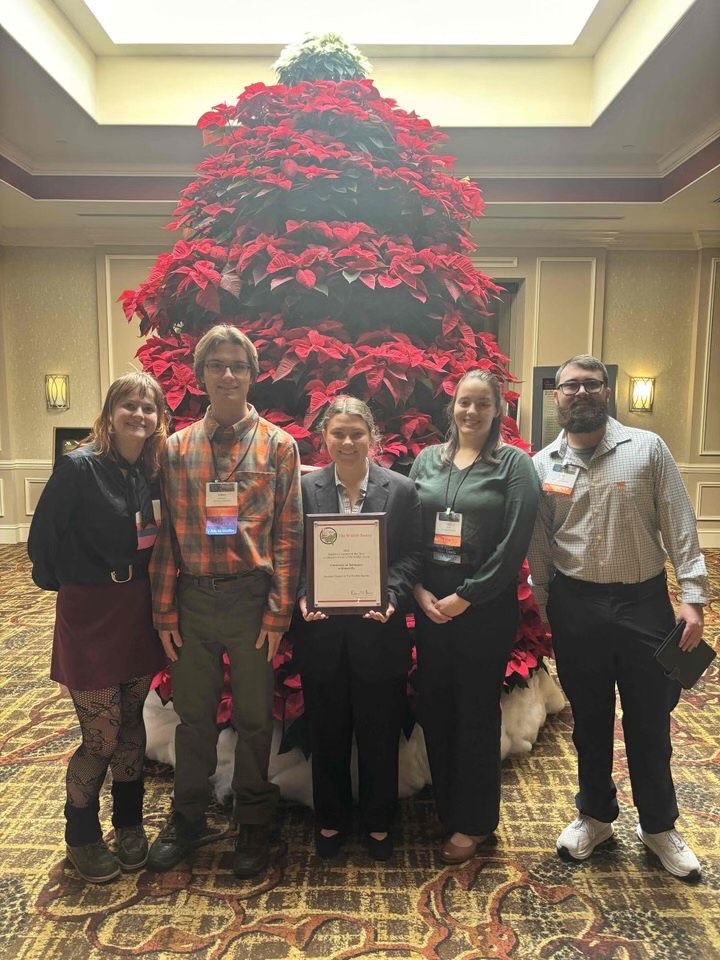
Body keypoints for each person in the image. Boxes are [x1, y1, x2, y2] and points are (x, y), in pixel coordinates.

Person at [527, 354, 708, 881]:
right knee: (590, 719)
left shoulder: (647, 449)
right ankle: (595, 816)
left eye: (591, 384)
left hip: (643, 603)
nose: (580, 393)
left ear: (607, 392)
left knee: (650, 717)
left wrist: (692, 596)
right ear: (555, 396)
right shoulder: (543, 464)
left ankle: (658, 826)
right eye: (569, 387)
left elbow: (679, 523)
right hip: (575, 605)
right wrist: (539, 610)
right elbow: (540, 546)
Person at [146, 324, 303, 879]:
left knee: (256, 718)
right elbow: (166, 538)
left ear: (252, 373)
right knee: (193, 719)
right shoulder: (175, 448)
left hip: (251, 602)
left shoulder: (280, 446)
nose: (228, 374)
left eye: (238, 365)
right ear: (202, 374)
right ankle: (188, 819)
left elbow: (288, 535)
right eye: (218, 365)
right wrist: (163, 609)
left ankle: (253, 820)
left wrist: (279, 610)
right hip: (191, 600)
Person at [28, 372, 169, 883]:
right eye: (129, 405)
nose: (139, 415)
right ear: (110, 413)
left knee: (132, 724)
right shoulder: (79, 467)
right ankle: (81, 834)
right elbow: (41, 545)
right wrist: (73, 586)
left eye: (148, 407)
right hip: (89, 610)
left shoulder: (153, 469)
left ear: (159, 419)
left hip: (137, 607)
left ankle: (129, 824)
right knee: (101, 734)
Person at [409, 370, 540, 864]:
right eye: (465, 402)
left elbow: (513, 547)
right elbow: (408, 531)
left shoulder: (513, 466)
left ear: (496, 411)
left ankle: (476, 821)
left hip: (482, 609)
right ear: (452, 407)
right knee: (437, 708)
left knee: (476, 714)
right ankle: (448, 807)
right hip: (430, 606)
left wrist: (466, 596)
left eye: (482, 404)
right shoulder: (427, 460)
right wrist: (419, 591)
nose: (471, 411)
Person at [294, 397, 423, 861]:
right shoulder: (305, 489)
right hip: (321, 632)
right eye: (338, 434)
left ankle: (378, 819)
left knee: (379, 731)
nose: (347, 442)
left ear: (373, 437)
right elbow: (292, 554)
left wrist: (390, 595)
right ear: (324, 438)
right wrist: (303, 594)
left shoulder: (402, 490)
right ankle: (330, 819)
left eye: (356, 434)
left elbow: (411, 555)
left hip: (378, 631)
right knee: (326, 729)